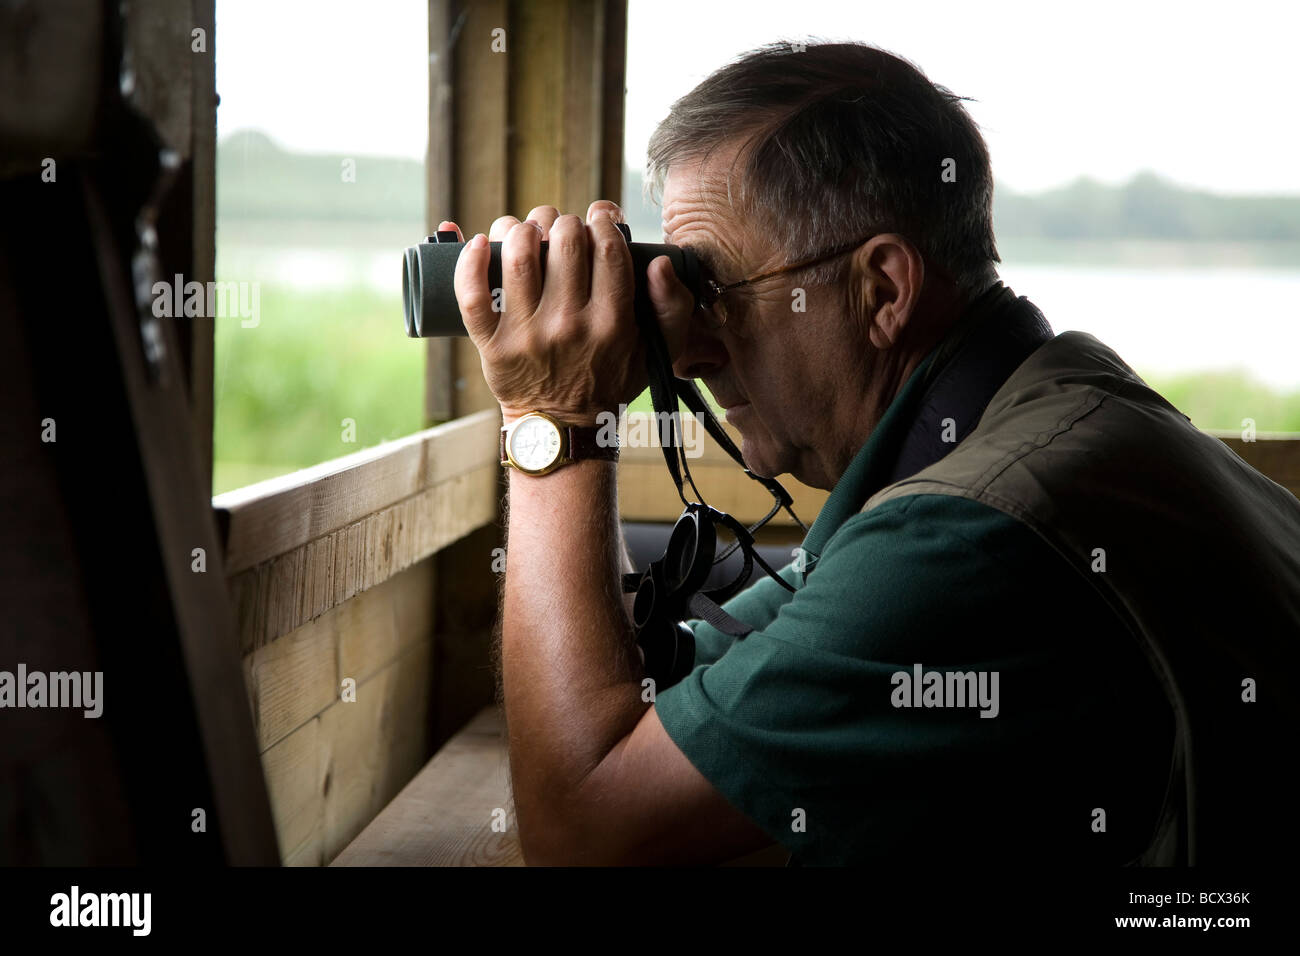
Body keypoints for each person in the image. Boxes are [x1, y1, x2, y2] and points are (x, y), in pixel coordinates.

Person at [444, 41, 1299, 866]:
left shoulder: (970, 536)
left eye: (710, 289)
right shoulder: (1054, 401)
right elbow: (703, 698)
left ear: (882, 289)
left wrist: (555, 416)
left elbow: (585, 833)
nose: (691, 350)